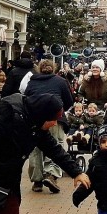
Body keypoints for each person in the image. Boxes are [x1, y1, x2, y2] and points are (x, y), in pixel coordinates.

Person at [24, 59, 74, 194]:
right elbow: (69, 101)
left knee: (36, 148)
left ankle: (37, 181)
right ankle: (51, 174)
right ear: (54, 68)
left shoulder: (32, 82)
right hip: (55, 118)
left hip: (35, 119)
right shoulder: (61, 81)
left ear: (39, 69)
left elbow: (26, 99)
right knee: (55, 145)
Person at [77, 59, 107, 124]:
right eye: (93, 67)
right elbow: (80, 93)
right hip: (90, 113)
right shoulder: (87, 80)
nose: (95, 69)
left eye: (97, 67)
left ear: (101, 69)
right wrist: (82, 100)